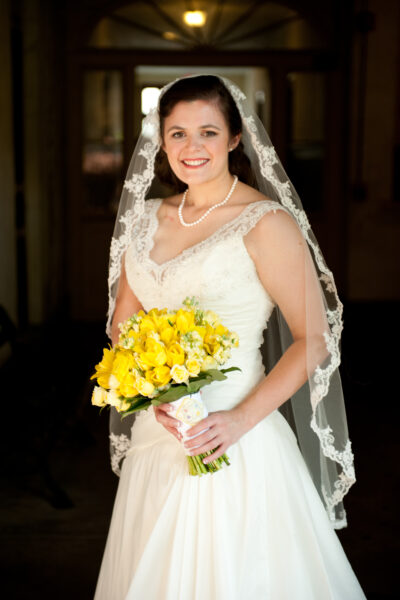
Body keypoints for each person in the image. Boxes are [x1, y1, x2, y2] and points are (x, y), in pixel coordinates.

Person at [94, 74, 366, 599]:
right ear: (160, 139)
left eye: (208, 132)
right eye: (177, 134)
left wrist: (237, 421)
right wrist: (153, 394)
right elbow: (122, 324)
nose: (191, 148)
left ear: (236, 138)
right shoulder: (144, 220)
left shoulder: (265, 223)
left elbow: (314, 339)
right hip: (161, 436)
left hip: (240, 434)